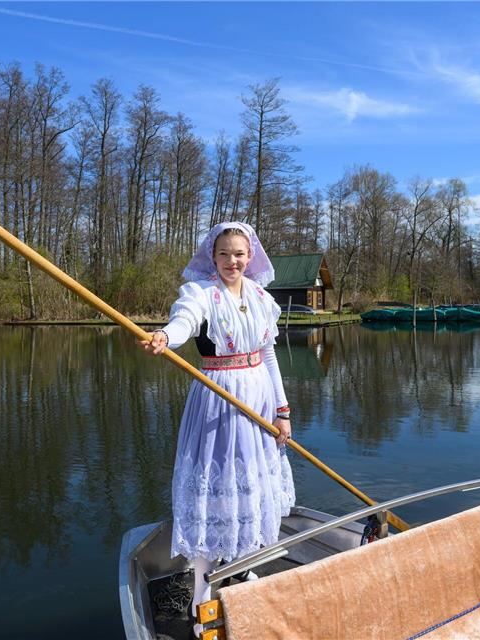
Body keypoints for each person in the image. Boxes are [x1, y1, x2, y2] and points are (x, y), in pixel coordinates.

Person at [139, 222, 295, 634]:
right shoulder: (200, 293)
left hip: (258, 401)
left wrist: (282, 411)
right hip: (218, 399)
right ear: (213, 256)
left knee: (250, 486)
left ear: (250, 256)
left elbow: (269, 356)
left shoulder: (261, 298)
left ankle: (239, 566)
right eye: (224, 253)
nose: (232, 261)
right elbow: (185, 322)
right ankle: (200, 597)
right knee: (215, 489)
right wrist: (165, 337)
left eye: (239, 254)